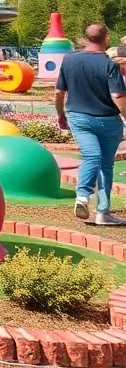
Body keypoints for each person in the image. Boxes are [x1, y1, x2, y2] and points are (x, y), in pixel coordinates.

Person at [55, 22, 126, 226]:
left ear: (86, 38)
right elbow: (118, 95)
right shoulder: (109, 64)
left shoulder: (69, 60)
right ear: (106, 38)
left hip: (78, 117)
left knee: (94, 157)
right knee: (103, 162)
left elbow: (59, 92)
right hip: (107, 120)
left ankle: (98, 209)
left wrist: (60, 114)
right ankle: (89, 201)